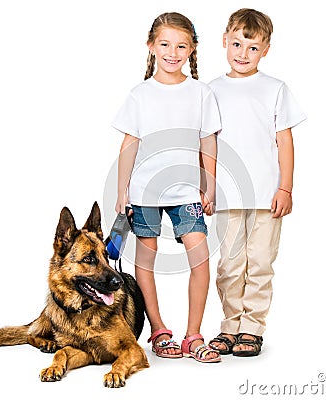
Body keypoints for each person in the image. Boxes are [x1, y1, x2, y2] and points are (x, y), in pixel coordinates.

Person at [112, 12, 221, 363]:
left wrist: (210, 185)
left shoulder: (201, 93)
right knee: (147, 259)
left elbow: (208, 142)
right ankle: (159, 330)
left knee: (199, 255)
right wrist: (121, 191)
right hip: (145, 193)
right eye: (165, 45)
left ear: (192, 50)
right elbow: (130, 143)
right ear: (151, 46)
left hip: (187, 192)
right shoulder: (140, 94)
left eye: (181, 46)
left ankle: (193, 335)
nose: (173, 53)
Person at [208, 8, 306, 357]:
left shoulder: (275, 89)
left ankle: (252, 328)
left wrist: (286, 188)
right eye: (236, 44)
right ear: (224, 42)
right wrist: (207, 186)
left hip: (267, 196)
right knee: (230, 265)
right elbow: (207, 142)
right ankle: (230, 325)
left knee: (260, 261)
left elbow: (285, 141)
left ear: (265, 49)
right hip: (227, 194)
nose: (243, 53)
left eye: (252, 47)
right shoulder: (212, 90)